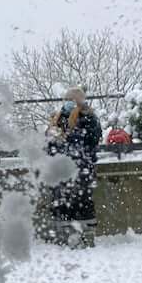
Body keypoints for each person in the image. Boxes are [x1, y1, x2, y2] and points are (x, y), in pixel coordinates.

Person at [45, 88, 102, 248]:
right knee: (61, 202)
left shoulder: (89, 118)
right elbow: (49, 147)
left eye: (74, 99)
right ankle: (64, 237)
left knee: (83, 202)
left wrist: (67, 138)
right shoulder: (57, 119)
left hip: (82, 169)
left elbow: (91, 140)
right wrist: (53, 138)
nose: (71, 103)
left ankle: (86, 237)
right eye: (68, 99)